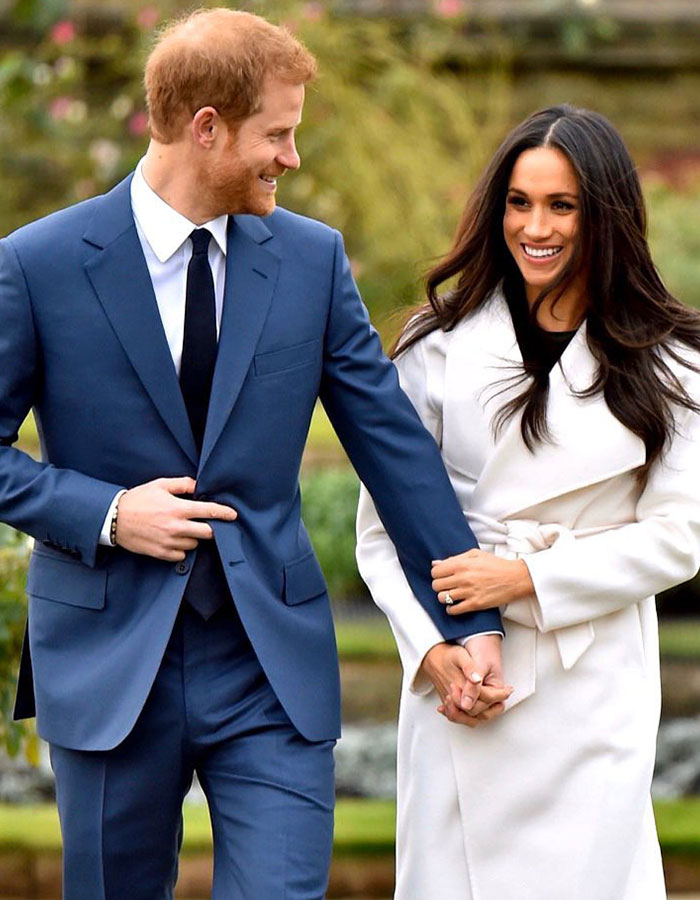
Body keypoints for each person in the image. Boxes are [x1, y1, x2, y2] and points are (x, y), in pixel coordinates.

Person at [0, 8, 512, 899]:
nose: (292, 158)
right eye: (277, 133)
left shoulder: (312, 262)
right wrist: (112, 514)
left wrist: (467, 618)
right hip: (109, 661)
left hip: (268, 666)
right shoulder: (37, 264)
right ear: (207, 129)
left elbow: (392, 445)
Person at [356, 104, 700, 900]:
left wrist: (525, 581)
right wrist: (432, 655)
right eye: (519, 201)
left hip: (591, 682)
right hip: (461, 680)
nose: (534, 226)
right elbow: (383, 535)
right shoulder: (435, 346)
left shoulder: (674, 361)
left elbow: (680, 538)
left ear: (605, 215)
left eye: (561, 205)